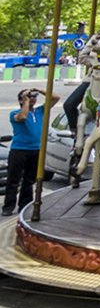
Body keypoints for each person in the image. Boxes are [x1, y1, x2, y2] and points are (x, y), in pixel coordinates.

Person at [5, 88, 53, 216]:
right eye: (29, 97)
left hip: (35, 150)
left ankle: (24, 205)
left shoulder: (39, 111)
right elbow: (22, 117)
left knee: (29, 180)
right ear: (21, 100)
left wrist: (40, 90)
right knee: (13, 179)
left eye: (34, 97)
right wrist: (26, 101)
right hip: (19, 150)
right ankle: (8, 206)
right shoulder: (14, 113)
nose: (33, 99)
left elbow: (55, 98)